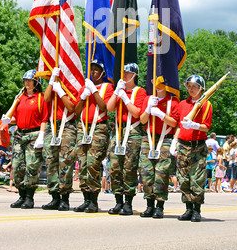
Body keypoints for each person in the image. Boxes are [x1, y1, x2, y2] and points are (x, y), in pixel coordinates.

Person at [1, 69, 50, 209]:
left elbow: (44, 118)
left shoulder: (41, 98)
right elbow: (17, 117)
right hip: (19, 135)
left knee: (31, 166)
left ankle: (29, 197)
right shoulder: (20, 98)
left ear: (36, 83)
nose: (27, 83)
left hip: (34, 135)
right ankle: (21, 195)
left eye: (29, 80)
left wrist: (42, 135)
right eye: (25, 80)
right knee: (16, 167)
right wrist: (8, 120)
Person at [106, 63, 147, 216]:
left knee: (129, 168)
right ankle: (118, 201)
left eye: (127, 73)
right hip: (118, 131)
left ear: (134, 75)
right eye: (123, 72)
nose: (124, 75)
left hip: (133, 131)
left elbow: (137, 113)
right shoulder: (120, 90)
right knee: (114, 167)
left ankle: (128, 202)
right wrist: (117, 92)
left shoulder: (140, 92)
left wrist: (125, 98)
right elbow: (109, 108)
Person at [74, 60, 114, 213]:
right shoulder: (85, 88)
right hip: (83, 127)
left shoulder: (107, 87)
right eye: (92, 70)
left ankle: (94, 201)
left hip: (98, 127)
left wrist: (94, 91)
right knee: (83, 164)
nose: (93, 72)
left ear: (103, 72)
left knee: (93, 163)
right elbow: (77, 111)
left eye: (96, 70)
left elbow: (104, 107)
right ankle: (86, 199)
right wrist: (84, 96)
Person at [172, 74, 213, 222]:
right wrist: (174, 141)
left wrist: (195, 125)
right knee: (183, 178)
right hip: (183, 145)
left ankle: (197, 210)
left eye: (193, 86)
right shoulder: (183, 104)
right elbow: (178, 125)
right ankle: (188, 208)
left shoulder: (206, 105)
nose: (190, 89)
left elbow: (206, 127)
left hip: (197, 146)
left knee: (197, 179)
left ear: (201, 89)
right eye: (188, 86)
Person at [139, 78, 180, 218]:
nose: (158, 85)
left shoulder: (173, 101)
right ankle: (149, 205)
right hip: (149, 137)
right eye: (155, 82)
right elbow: (143, 120)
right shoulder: (148, 99)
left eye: (161, 82)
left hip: (165, 138)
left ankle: (160, 205)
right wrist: (149, 108)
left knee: (162, 172)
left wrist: (161, 114)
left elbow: (174, 123)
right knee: (146, 172)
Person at [41, 66, 78, 211]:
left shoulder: (71, 87)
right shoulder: (53, 84)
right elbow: (46, 98)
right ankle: (54, 197)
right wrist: (51, 81)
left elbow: (72, 108)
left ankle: (65, 198)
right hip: (52, 126)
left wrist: (61, 92)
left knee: (65, 162)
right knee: (51, 162)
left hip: (67, 126)